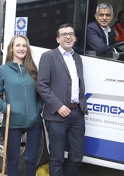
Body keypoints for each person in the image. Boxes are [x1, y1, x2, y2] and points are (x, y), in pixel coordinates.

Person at [37, 23, 88, 176]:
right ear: (58, 39)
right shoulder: (48, 56)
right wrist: (58, 106)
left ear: (75, 38)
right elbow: (42, 85)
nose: (68, 36)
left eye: (71, 34)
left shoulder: (77, 58)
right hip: (56, 115)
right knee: (56, 158)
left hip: (77, 114)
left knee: (77, 157)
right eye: (64, 34)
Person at [0, 35, 44, 176]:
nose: (21, 48)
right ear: (11, 48)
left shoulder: (33, 69)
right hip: (12, 122)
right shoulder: (3, 70)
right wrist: (5, 108)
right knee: (13, 160)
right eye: (18, 45)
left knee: (31, 160)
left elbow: (40, 94)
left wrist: (37, 109)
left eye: (24, 46)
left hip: (34, 122)